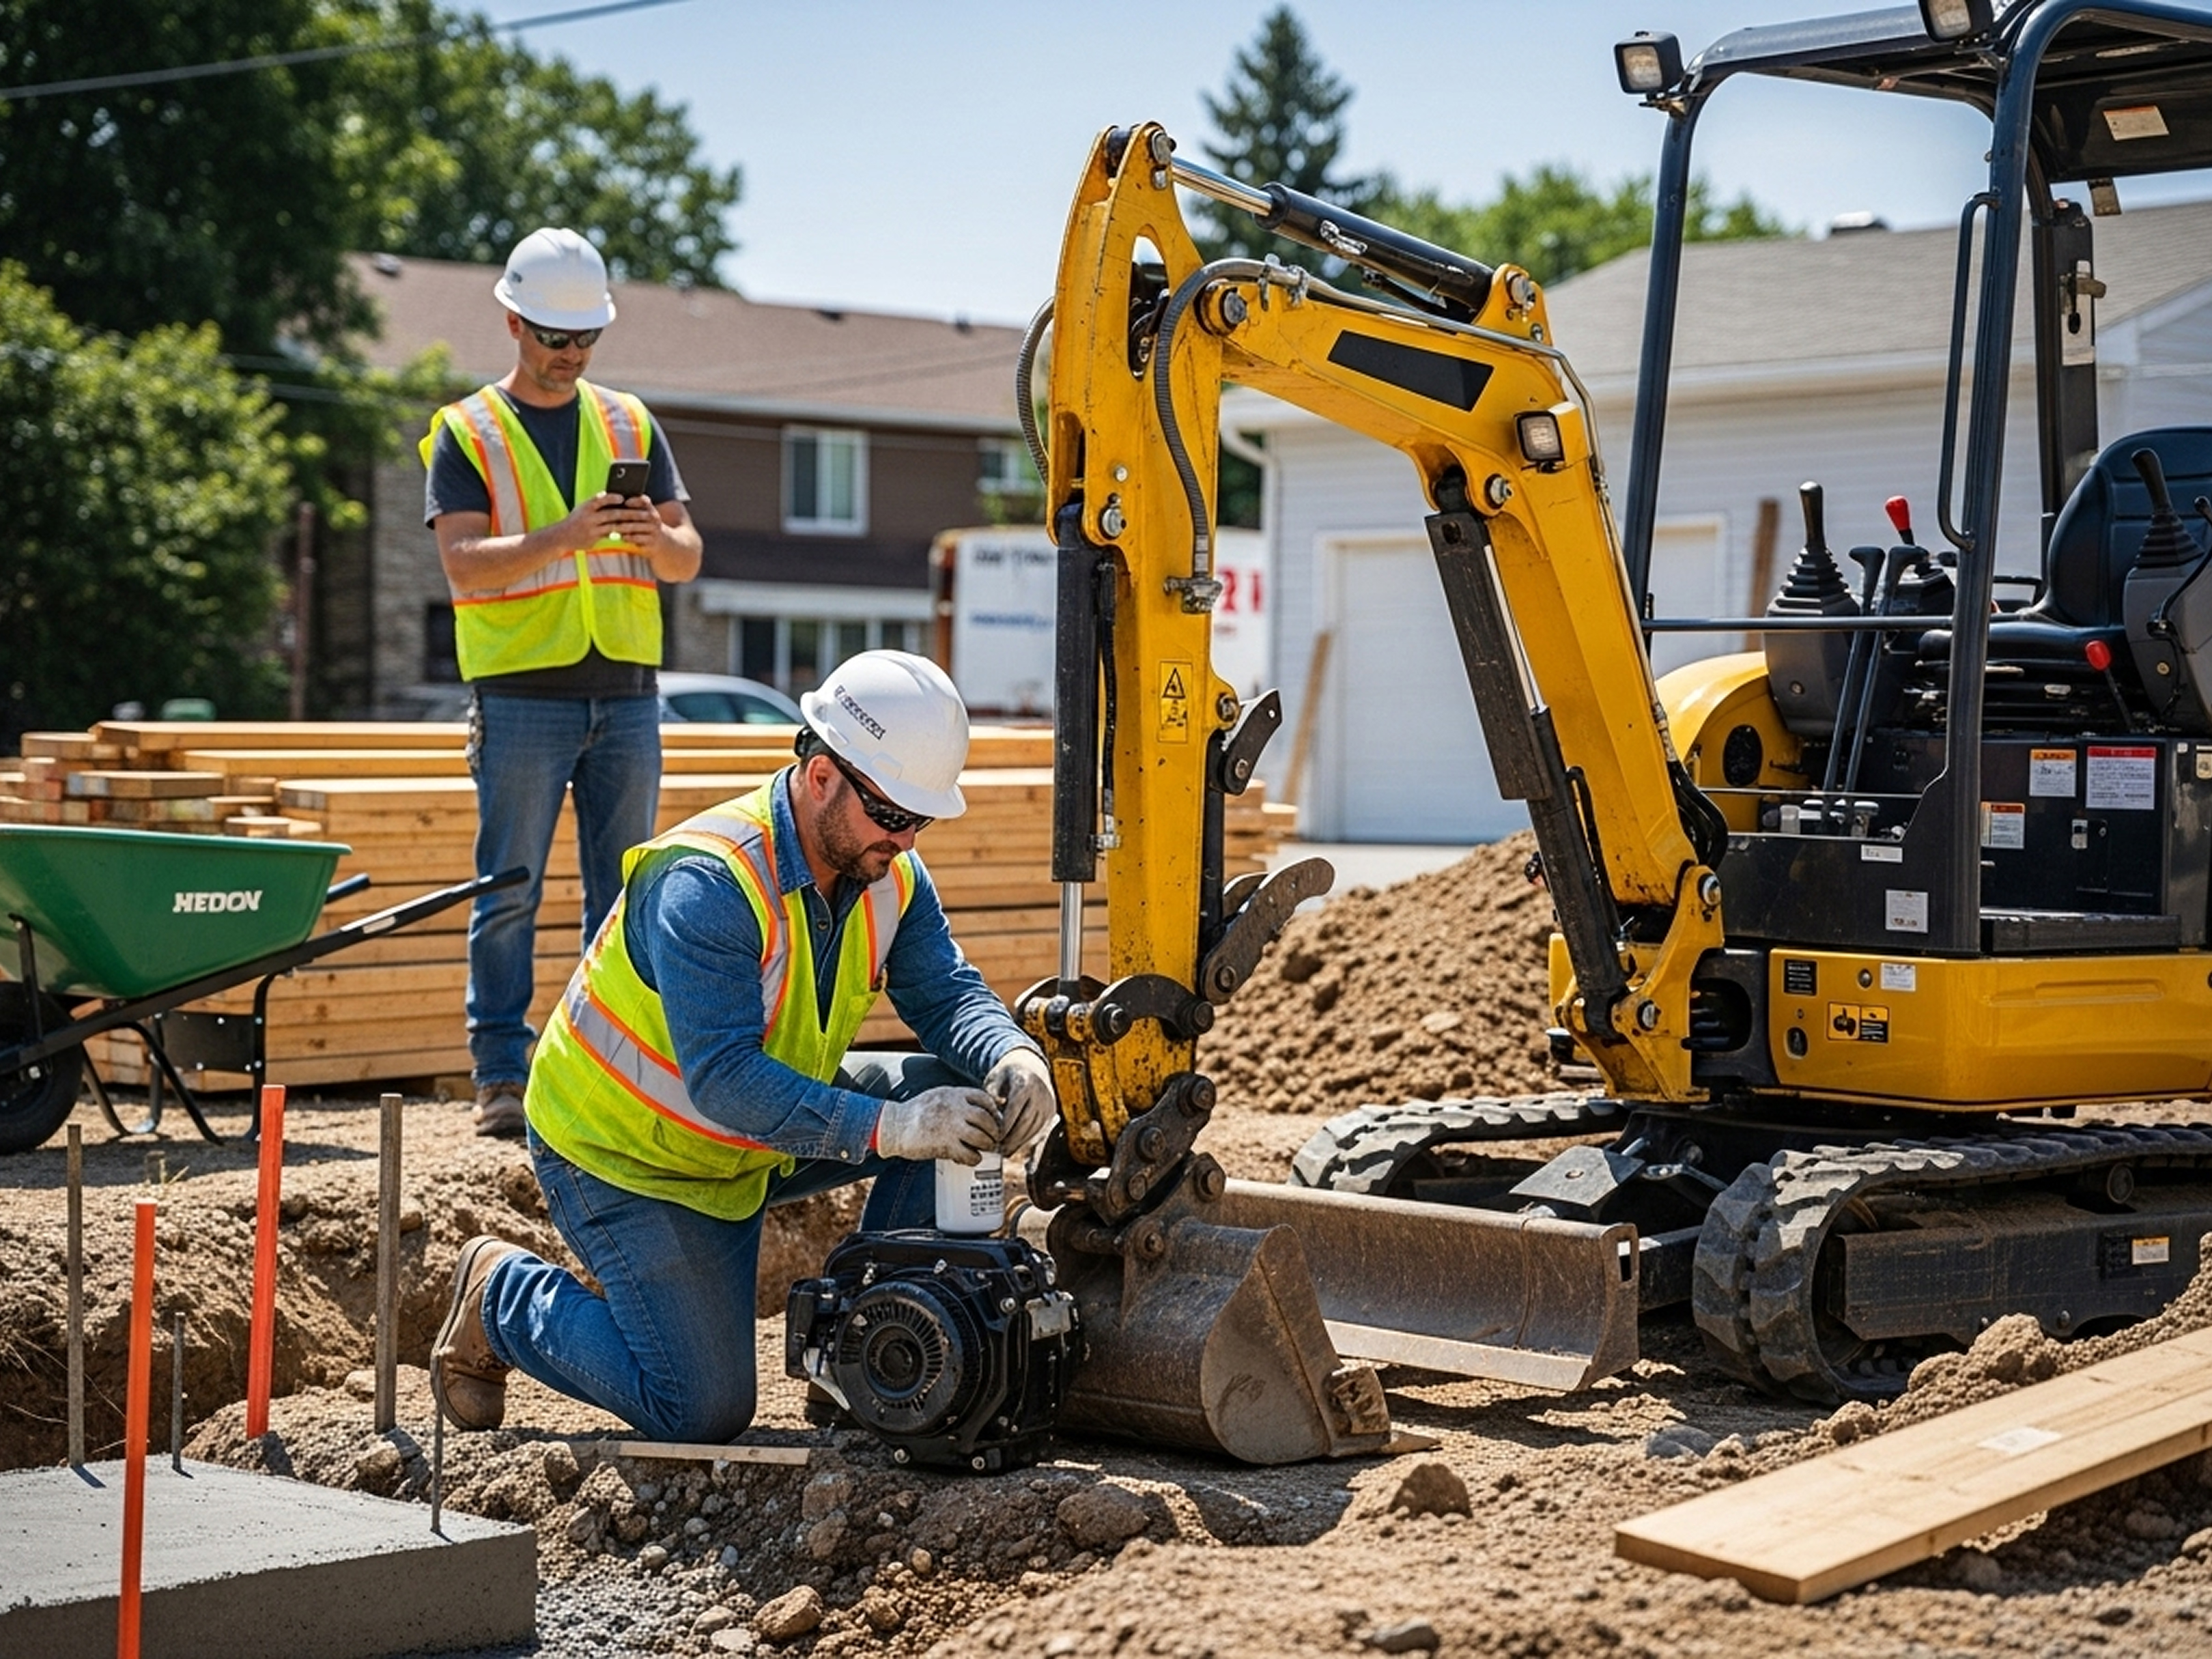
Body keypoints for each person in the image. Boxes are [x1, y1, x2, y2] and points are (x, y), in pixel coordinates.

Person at [429, 649, 1058, 1442]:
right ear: (823, 774)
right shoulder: (710, 883)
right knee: (700, 1409)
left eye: (919, 820)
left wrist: (1011, 1053)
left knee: (947, 1088)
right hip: (631, 1155)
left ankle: (862, 1357)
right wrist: (891, 1130)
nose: (903, 840)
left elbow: (945, 992)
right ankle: (503, 1297)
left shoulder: (888, 873)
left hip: (755, 1134)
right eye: (892, 816)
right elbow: (725, 1080)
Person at [421, 226, 703, 1138]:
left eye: (584, 339)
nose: (570, 354)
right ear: (513, 321)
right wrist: (566, 536)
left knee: (623, 894)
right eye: (553, 336)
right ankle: (501, 1072)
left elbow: (687, 557)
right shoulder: (466, 432)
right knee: (509, 890)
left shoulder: (630, 422)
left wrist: (652, 539)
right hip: (520, 696)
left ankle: (601, 1070)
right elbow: (463, 567)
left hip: (625, 694)